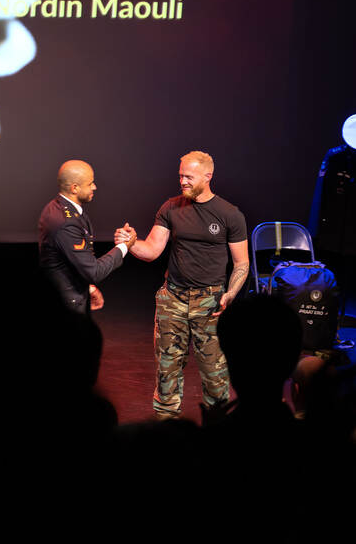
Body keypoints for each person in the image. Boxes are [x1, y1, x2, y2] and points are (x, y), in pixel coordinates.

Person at [119, 151, 249, 419]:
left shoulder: (229, 214)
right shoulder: (171, 208)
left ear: (207, 177)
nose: (183, 181)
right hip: (173, 300)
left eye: (188, 177)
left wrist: (231, 293)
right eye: (180, 176)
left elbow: (241, 264)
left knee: (215, 378)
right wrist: (131, 243)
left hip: (211, 303)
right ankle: (167, 437)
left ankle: (217, 432)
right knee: (167, 374)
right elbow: (152, 250)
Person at [37, 159, 128, 316]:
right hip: (67, 305)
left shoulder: (59, 208)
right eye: (90, 183)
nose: (95, 187)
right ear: (75, 188)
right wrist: (124, 245)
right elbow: (94, 272)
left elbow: (68, 259)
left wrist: (88, 287)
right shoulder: (66, 222)